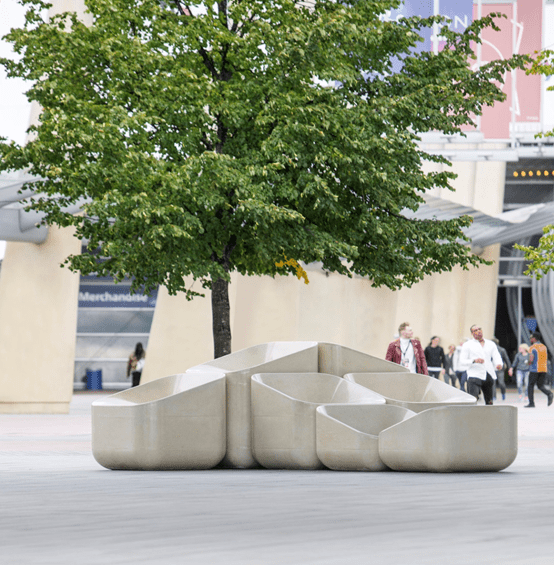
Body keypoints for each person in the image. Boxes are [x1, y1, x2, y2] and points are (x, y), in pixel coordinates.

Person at [460, 325, 503, 405]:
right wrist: (474, 360)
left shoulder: (491, 344)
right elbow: (462, 360)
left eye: (479, 329)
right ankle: (473, 416)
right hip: (474, 375)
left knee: (489, 401)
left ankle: (488, 416)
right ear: (472, 333)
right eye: (475, 330)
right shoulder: (467, 345)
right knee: (473, 400)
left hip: (488, 374)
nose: (478, 331)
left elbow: (496, 356)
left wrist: (499, 364)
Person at [525, 332, 553, 408]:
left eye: (531, 338)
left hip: (534, 369)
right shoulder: (544, 347)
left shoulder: (532, 347)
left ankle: (531, 403)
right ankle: (549, 393)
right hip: (543, 369)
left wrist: (528, 363)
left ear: (534, 338)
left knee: (530, 385)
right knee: (540, 385)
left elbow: (531, 359)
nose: (531, 339)